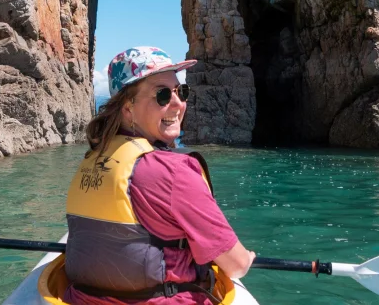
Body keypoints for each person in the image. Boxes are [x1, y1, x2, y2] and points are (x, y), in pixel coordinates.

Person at [64, 46, 256, 305]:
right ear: (128, 109)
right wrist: (247, 258)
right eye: (162, 95)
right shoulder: (174, 172)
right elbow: (236, 265)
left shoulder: (93, 160)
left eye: (181, 91)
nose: (178, 103)